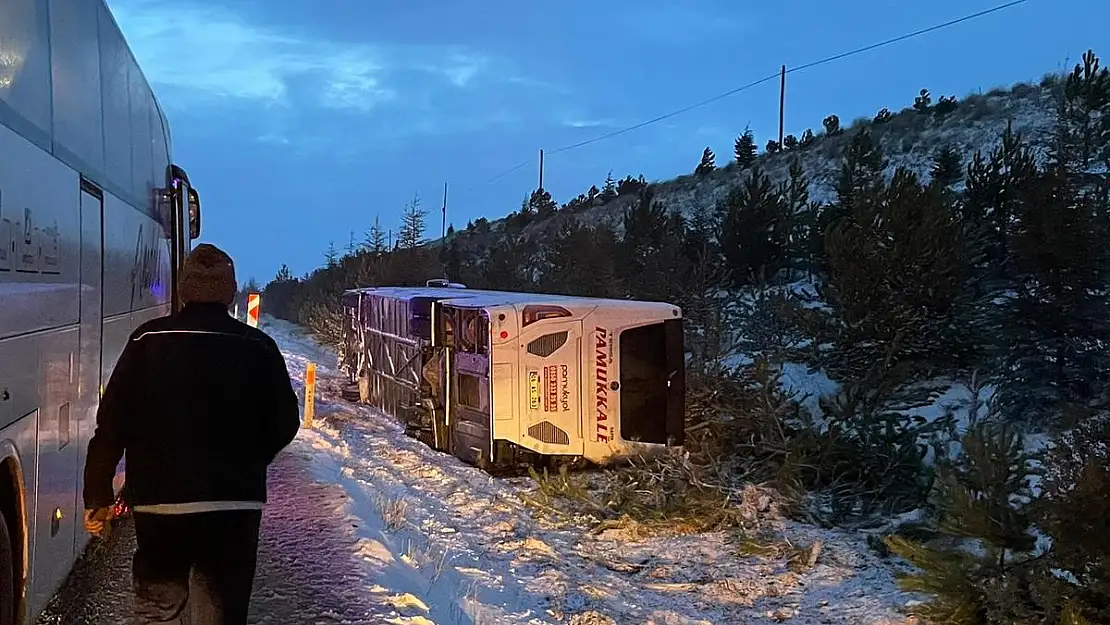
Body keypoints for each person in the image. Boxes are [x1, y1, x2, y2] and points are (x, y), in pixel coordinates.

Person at [82, 243, 301, 624]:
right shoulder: (259, 346)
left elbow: (112, 422)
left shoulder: (146, 341)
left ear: (184, 289)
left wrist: (98, 493)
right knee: (220, 611)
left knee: (157, 609)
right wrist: (247, 461)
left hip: (160, 504)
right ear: (229, 291)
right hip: (234, 506)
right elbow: (285, 421)